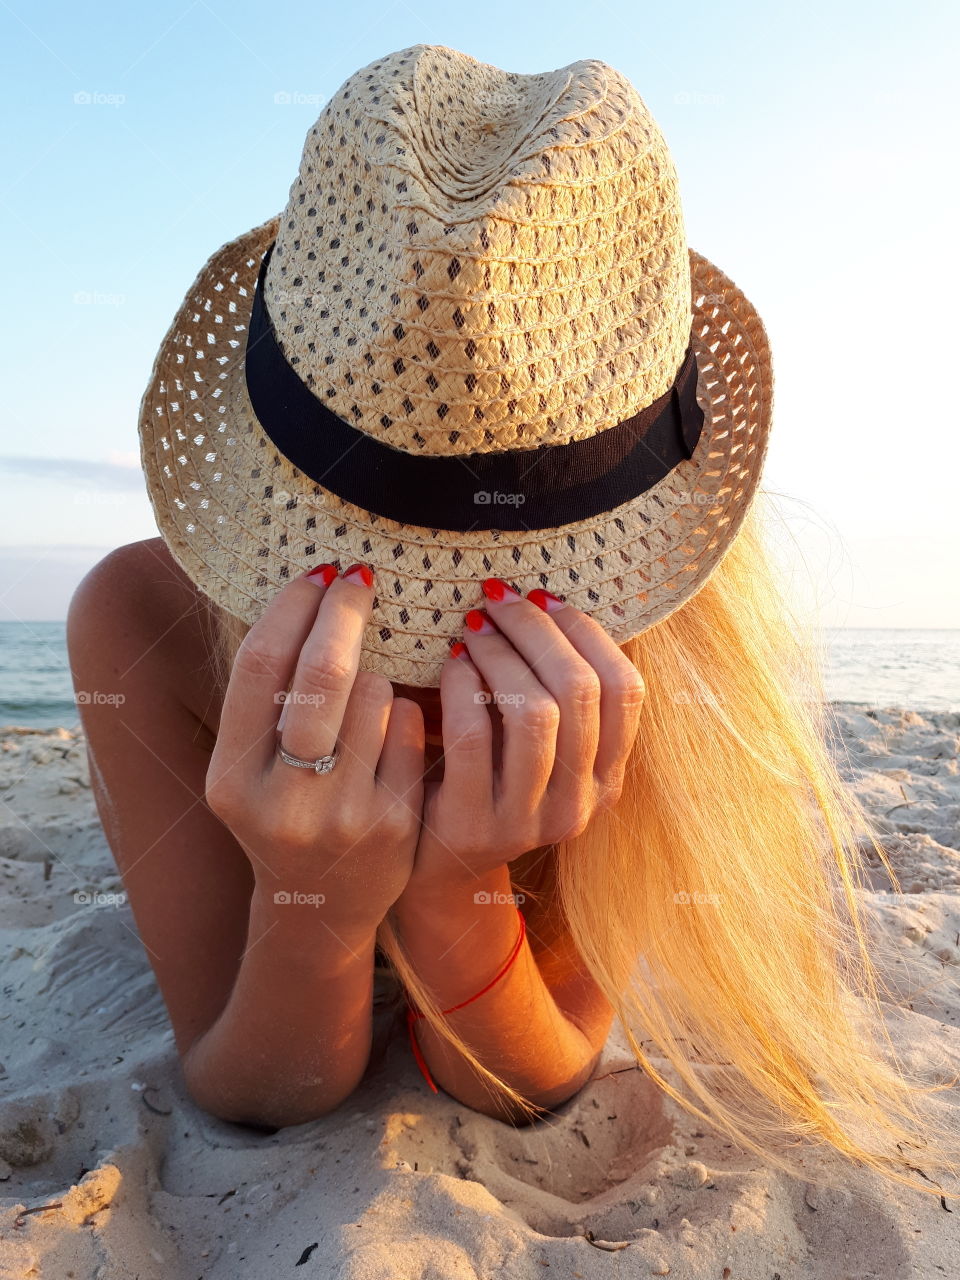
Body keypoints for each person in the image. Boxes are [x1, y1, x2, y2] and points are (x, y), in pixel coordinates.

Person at [67, 43, 960, 1200]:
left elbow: (520, 1084)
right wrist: (311, 906)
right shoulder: (144, 622)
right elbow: (255, 1089)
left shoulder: (651, 651)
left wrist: (458, 889)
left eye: (492, 576)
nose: (428, 640)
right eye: (396, 570)